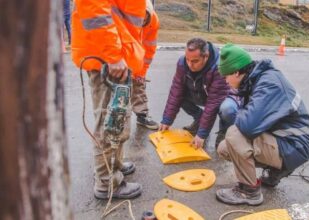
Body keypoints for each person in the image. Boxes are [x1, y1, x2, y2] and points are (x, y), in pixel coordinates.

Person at [215, 44, 309, 206]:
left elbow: (247, 126)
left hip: (294, 145)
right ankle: (276, 170)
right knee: (225, 148)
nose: (225, 81)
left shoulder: (269, 84)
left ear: (237, 72)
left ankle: (249, 191)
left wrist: (239, 114)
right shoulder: (256, 79)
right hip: (284, 141)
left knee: (234, 134)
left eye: (226, 77)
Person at [71, 0, 146, 200]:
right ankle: (106, 182)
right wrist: (112, 56)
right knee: (108, 122)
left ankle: (115, 164)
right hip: (108, 59)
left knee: (119, 119)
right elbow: (95, 9)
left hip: (119, 57)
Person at [158, 38, 234, 149]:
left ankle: (224, 132)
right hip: (201, 93)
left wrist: (201, 135)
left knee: (227, 109)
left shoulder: (219, 68)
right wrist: (167, 120)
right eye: (187, 59)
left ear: (206, 56)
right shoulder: (182, 63)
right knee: (179, 96)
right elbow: (176, 91)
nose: (189, 64)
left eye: (194, 61)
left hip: (222, 98)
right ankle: (199, 118)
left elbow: (213, 104)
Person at [131, 1, 160, 130]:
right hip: (121, 54)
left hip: (137, 57)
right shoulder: (127, 16)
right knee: (119, 88)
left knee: (139, 83)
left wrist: (141, 73)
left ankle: (142, 116)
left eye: (144, 19)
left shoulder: (154, 21)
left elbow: (149, 50)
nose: (141, 22)